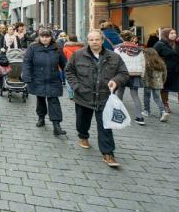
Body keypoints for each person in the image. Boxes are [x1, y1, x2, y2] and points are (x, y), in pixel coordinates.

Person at [65, 30, 129, 168]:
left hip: (104, 97)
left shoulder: (114, 57)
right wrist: (76, 86)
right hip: (83, 96)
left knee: (105, 125)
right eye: (91, 39)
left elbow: (123, 73)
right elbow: (69, 71)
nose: (94, 42)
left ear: (102, 40)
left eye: (97, 39)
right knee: (83, 120)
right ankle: (83, 136)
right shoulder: (78, 55)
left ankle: (108, 153)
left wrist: (116, 81)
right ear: (87, 41)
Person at [22, 29, 67, 136]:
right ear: (39, 37)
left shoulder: (57, 48)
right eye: (42, 37)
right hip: (38, 78)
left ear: (51, 37)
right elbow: (27, 62)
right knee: (41, 98)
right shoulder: (33, 48)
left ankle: (57, 125)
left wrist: (69, 76)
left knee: (54, 101)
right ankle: (41, 118)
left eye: (47, 37)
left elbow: (64, 63)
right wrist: (27, 76)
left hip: (53, 79)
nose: (45, 39)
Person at [154, 28, 179, 118]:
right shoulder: (160, 44)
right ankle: (165, 105)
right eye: (171, 33)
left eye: (175, 33)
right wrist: (159, 65)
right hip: (166, 70)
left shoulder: (178, 44)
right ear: (166, 34)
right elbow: (153, 56)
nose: (174, 34)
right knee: (165, 88)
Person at [115, 30, 146, 125]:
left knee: (119, 94)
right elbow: (143, 63)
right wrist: (142, 74)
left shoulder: (118, 49)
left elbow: (115, 63)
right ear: (132, 38)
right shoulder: (139, 50)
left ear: (121, 38)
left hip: (122, 74)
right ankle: (139, 117)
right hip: (135, 74)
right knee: (135, 96)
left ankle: (118, 116)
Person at [142, 48, 170, 122]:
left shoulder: (145, 62)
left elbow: (143, 74)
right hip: (158, 83)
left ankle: (146, 111)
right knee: (157, 98)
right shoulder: (161, 62)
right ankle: (163, 112)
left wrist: (142, 81)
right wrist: (163, 81)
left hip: (147, 83)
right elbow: (165, 74)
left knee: (146, 96)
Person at [62, 35, 84, 99]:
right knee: (79, 78)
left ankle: (71, 94)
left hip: (68, 65)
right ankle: (77, 92)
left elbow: (63, 58)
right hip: (80, 65)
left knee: (69, 79)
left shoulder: (65, 48)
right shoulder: (81, 47)